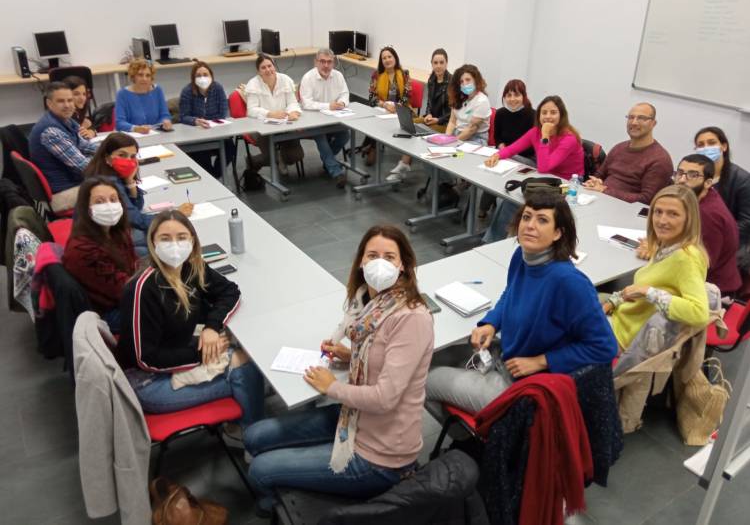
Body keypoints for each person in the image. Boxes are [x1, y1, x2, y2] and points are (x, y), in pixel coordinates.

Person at [244, 225, 434, 515]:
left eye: (389, 257)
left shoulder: (411, 318)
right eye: (372, 255)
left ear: (404, 265)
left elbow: (385, 398)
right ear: (361, 261)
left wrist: (331, 387)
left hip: (381, 456)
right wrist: (349, 356)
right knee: (254, 436)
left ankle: (285, 509)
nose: (379, 263)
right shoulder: (371, 304)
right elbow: (378, 355)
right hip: (354, 418)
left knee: (260, 470)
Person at [426, 192, 618, 415]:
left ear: (558, 233)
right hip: (505, 357)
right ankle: (479, 425)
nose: (530, 225)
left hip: (525, 387)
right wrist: (491, 323)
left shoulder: (569, 283)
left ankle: (495, 428)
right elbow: (511, 293)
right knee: (423, 360)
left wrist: (542, 361)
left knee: (421, 379)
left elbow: (605, 347)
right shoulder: (522, 256)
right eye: (526, 217)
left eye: (542, 220)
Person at [117, 210, 264, 430]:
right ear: (152, 242)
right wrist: (201, 354)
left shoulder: (190, 267)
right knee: (247, 371)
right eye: (165, 238)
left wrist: (211, 327)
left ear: (192, 240)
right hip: (149, 383)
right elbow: (145, 358)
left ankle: (241, 423)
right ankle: (253, 437)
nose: (174, 245)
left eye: (181, 237)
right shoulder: (142, 289)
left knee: (242, 356)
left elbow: (229, 291)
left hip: (175, 352)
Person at [605, 184, 710, 352]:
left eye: (673, 214)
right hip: (623, 318)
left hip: (625, 336)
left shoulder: (686, 258)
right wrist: (611, 303)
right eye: (658, 212)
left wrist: (648, 292)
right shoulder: (667, 246)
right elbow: (639, 288)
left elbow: (699, 313)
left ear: (689, 219)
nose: (662, 221)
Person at [483, 95, 583, 243]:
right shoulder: (535, 132)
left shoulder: (569, 139)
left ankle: (497, 241)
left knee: (514, 202)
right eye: (544, 112)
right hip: (546, 178)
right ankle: (493, 241)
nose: (548, 116)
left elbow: (543, 167)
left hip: (567, 184)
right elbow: (512, 149)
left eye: (553, 112)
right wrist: (497, 155)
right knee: (510, 198)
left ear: (561, 115)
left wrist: (545, 136)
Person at [84, 132, 193, 255]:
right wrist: (174, 216)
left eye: (132, 156)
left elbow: (138, 205)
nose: (128, 161)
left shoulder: (115, 174)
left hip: (118, 229)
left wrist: (130, 181)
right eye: (122, 155)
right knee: (165, 241)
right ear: (107, 157)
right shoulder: (106, 183)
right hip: (107, 237)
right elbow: (135, 219)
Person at [62, 176, 137, 333]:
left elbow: (134, 268)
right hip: (107, 314)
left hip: (124, 295)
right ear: (86, 208)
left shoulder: (116, 232)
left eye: (113, 199)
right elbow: (124, 290)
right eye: (99, 202)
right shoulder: (82, 250)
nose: (109, 206)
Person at [663, 154, 740, 296]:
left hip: (713, 290)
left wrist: (657, 252)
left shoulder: (706, 214)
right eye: (680, 173)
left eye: (693, 175)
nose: (682, 180)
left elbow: (702, 264)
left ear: (708, 183)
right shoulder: (702, 197)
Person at [583, 103, 673, 204]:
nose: (634, 122)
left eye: (641, 118)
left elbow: (647, 200)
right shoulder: (619, 148)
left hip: (627, 209)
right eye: (631, 117)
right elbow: (599, 175)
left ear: (653, 123)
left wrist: (605, 191)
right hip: (601, 200)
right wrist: (594, 182)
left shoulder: (660, 160)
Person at [29, 81, 98, 211]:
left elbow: (86, 146)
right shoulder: (51, 132)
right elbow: (86, 168)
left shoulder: (67, 121)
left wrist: (110, 151)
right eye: (61, 101)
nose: (67, 105)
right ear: (49, 103)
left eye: (70, 100)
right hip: (61, 194)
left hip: (71, 184)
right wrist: (109, 161)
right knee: (115, 185)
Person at [694, 126, 750, 283]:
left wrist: (714, 237)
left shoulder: (743, 180)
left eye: (711, 143)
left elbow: (747, 222)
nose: (706, 148)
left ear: (724, 146)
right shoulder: (695, 175)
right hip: (695, 239)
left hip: (727, 246)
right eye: (701, 145)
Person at [386, 48, 451, 182]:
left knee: (417, 133)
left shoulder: (452, 83)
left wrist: (437, 119)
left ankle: (404, 164)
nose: (438, 66)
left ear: (446, 63)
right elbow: (429, 103)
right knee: (409, 125)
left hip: (444, 124)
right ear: (431, 64)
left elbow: (453, 112)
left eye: (441, 62)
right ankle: (405, 163)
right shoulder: (432, 79)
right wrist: (428, 114)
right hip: (431, 119)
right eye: (435, 63)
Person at [478, 79, 536, 219]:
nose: (512, 99)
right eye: (508, 95)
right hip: (506, 155)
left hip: (527, 159)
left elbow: (532, 146)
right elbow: (497, 137)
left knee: (498, 163)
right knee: (493, 168)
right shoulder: (501, 113)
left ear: (524, 96)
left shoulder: (533, 115)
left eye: (516, 95)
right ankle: (483, 208)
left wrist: (506, 153)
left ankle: (487, 208)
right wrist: (501, 146)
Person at [243, 53, 304, 175]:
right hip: (261, 128)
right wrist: (270, 114)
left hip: (285, 125)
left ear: (274, 66)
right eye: (263, 67)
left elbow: (292, 102)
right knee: (270, 158)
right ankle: (257, 160)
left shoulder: (285, 80)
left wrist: (292, 112)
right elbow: (251, 110)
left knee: (296, 155)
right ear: (258, 71)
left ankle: (279, 158)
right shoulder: (253, 84)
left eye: (270, 66)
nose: (268, 70)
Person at [299, 48, 351, 188]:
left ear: (333, 63)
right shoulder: (308, 78)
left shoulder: (338, 76)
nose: (326, 65)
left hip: (333, 118)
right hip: (313, 120)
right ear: (316, 62)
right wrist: (328, 106)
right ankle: (336, 172)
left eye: (329, 62)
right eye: (322, 61)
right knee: (320, 135)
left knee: (345, 135)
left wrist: (342, 103)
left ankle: (328, 161)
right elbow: (306, 103)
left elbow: (345, 94)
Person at [178, 61, 234, 178]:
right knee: (201, 155)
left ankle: (214, 176)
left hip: (217, 132)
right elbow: (183, 116)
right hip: (197, 135)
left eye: (205, 74)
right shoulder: (187, 91)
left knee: (230, 148)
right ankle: (210, 178)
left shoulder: (218, 88)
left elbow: (223, 112)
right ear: (193, 78)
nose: (202, 78)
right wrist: (195, 121)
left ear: (211, 76)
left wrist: (211, 123)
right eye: (198, 75)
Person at [360, 46, 412, 168]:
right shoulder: (376, 75)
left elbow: (407, 95)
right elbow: (372, 97)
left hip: (400, 108)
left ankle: (370, 146)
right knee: (376, 120)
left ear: (395, 58)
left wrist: (397, 107)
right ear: (381, 61)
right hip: (382, 107)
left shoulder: (404, 74)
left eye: (389, 57)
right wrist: (384, 105)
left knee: (383, 121)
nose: (387, 60)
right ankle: (373, 147)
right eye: (384, 58)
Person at [115, 58, 172, 134]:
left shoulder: (157, 90)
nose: (144, 79)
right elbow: (119, 123)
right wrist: (136, 128)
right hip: (132, 136)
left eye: (148, 75)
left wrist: (165, 122)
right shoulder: (122, 94)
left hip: (156, 134)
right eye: (140, 75)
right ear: (133, 76)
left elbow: (165, 115)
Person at [64, 75, 96, 139]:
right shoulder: (64, 117)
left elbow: (90, 126)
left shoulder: (77, 113)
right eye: (76, 94)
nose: (82, 98)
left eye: (84, 94)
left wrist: (91, 132)